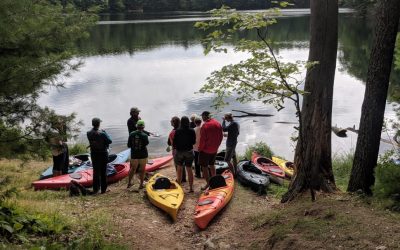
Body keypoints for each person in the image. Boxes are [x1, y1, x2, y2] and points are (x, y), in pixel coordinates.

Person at [198, 111, 223, 190]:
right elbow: (221, 137)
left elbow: (202, 140)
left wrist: (200, 149)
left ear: (205, 116)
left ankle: (209, 184)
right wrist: (217, 146)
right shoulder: (218, 123)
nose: (202, 118)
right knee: (212, 165)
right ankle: (215, 181)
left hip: (205, 151)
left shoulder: (204, 126)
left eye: (202, 116)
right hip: (214, 149)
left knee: (204, 167)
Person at [87, 118, 112, 194]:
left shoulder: (88, 133)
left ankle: (96, 189)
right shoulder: (102, 133)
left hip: (94, 154)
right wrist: (105, 132)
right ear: (99, 124)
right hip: (103, 154)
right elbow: (110, 141)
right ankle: (103, 190)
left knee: (96, 171)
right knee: (103, 171)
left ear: (92, 124)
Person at [173, 116, 196, 192]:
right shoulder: (192, 130)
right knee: (189, 169)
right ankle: (191, 188)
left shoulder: (177, 131)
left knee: (179, 169)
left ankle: (179, 186)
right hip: (189, 151)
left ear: (181, 122)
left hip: (179, 152)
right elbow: (193, 142)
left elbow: (174, 142)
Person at [127, 120, 149, 189]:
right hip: (143, 155)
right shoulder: (145, 135)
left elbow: (128, 145)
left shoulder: (131, 134)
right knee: (142, 170)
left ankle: (129, 183)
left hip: (134, 155)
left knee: (133, 169)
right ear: (143, 127)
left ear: (137, 126)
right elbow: (146, 144)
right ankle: (141, 185)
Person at [168, 116, 186, 182]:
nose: (170, 122)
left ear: (173, 123)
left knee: (177, 165)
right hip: (184, 149)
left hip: (175, 150)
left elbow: (169, 143)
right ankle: (183, 178)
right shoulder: (183, 130)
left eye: (171, 121)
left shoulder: (172, 132)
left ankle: (179, 179)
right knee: (183, 164)